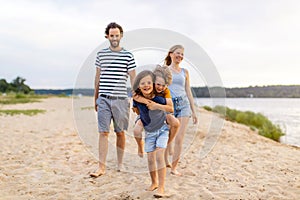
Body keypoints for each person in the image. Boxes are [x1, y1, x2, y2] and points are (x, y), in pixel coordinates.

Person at [90, 22, 136, 177]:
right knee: (103, 132)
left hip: (121, 100)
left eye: (117, 35)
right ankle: (101, 167)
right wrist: (95, 98)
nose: (114, 38)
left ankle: (120, 163)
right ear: (107, 36)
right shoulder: (101, 55)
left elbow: (133, 79)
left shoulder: (128, 55)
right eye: (112, 35)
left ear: (121, 36)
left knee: (120, 132)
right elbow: (97, 77)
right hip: (103, 99)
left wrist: (135, 100)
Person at [132, 70, 169, 198]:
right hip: (149, 132)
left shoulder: (159, 99)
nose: (146, 85)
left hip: (162, 129)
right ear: (138, 85)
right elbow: (136, 110)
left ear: (153, 84)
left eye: (149, 82)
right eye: (142, 83)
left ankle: (162, 187)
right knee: (150, 159)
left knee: (159, 156)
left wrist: (156, 106)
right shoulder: (136, 99)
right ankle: (154, 183)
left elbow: (170, 108)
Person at [132, 65, 180, 163]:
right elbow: (135, 96)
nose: (161, 87)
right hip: (144, 114)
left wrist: (156, 106)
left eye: (164, 85)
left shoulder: (165, 91)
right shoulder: (147, 85)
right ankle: (140, 146)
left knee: (175, 123)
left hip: (160, 114)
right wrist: (146, 103)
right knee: (136, 130)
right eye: (158, 84)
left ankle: (166, 144)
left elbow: (171, 108)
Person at [164, 45, 198, 176]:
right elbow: (160, 88)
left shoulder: (185, 72)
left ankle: (174, 167)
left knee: (179, 138)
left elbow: (188, 91)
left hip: (184, 105)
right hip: (170, 106)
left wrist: (193, 111)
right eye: (178, 53)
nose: (180, 56)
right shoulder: (165, 70)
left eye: (182, 54)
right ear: (171, 54)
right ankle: (165, 159)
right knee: (168, 135)